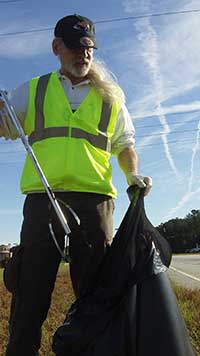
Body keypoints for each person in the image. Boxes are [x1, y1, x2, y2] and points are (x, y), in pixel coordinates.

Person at [0, 14, 152, 356]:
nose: (83, 54)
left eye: (88, 48)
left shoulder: (111, 98)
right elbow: (4, 124)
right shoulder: (33, 90)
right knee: (30, 291)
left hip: (95, 201)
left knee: (96, 292)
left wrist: (131, 174)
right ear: (57, 48)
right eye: (74, 47)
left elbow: (125, 145)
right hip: (43, 199)